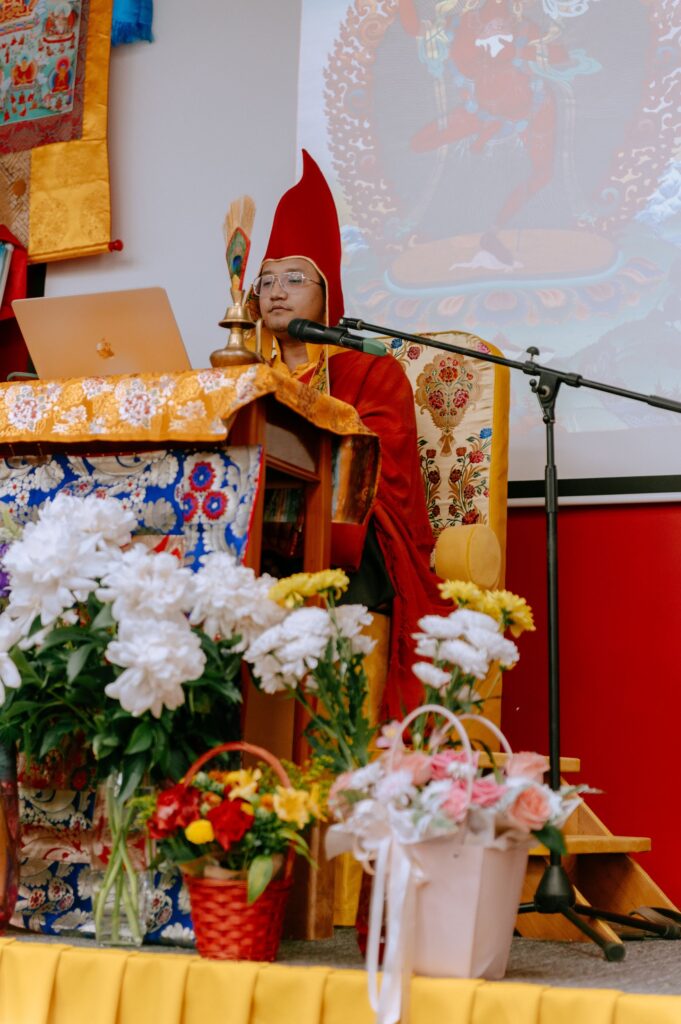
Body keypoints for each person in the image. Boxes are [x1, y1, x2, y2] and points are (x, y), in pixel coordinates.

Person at [250, 151, 449, 719]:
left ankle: (346, 736)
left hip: (344, 537)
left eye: (294, 278)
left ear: (327, 290)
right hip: (256, 526)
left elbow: (381, 477)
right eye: (266, 280)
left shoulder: (370, 371)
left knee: (349, 533)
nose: (277, 291)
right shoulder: (240, 376)